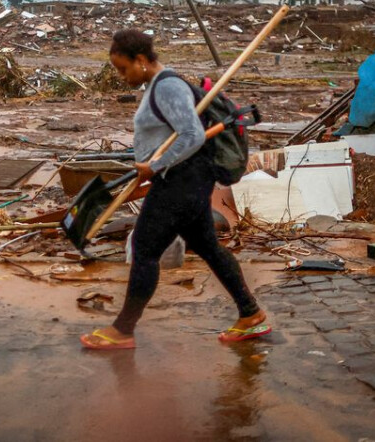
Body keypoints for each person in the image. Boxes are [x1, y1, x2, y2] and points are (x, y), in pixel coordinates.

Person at [80, 29, 270, 350]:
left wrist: (154, 166)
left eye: (123, 68)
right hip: (186, 180)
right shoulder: (158, 86)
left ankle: (123, 330)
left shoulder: (167, 86)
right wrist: (147, 165)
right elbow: (167, 136)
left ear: (141, 60)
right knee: (208, 247)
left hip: (181, 181)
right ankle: (250, 314)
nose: (121, 76)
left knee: (144, 249)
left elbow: (192, 135)